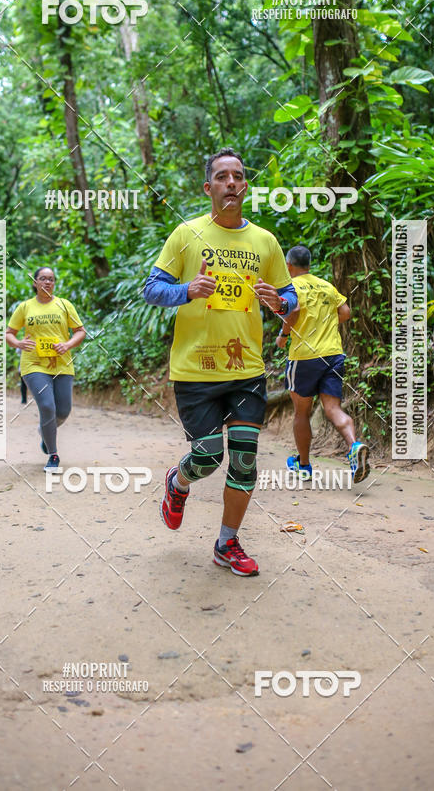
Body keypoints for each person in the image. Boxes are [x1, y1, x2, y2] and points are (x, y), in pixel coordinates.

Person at [144, 147, 297, 577]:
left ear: (245, 186)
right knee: (209, 457)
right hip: (196, 369)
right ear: (208, 187)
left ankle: (227, 543)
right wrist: (186, 291)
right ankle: (179, 481)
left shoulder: (265, 241)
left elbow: (291, 298)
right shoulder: (186, 234)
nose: (231, 182)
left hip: (246, 369)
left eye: (238, 176)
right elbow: (151, 290)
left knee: (245, 459)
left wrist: (279, 302)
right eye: (222, 177)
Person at [276, 245, 370, 484]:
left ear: (288, 266)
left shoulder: (291, 288)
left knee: (301, 412)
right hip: (333, 354)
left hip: (305, 357)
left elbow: (293, 313)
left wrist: (284, 336)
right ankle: (354, 445)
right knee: (333, 409)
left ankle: (304, 465)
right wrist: (325, 324)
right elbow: (346, 312)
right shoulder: (326, 286)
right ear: (308, 264)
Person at [6, 267, 86, 472]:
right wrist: (18, 343)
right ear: (35, 282)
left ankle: (45, 432)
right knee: (48, 407)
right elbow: (9, 333)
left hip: (62, 363)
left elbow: (80, 331)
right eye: (43, 279)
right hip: (33, 364)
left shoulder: (64, 305)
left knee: (64, 411)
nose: (47, 282)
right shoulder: (25, 307)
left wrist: (67, 345)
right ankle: (53, 454)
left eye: (51, 279)